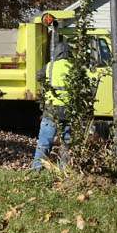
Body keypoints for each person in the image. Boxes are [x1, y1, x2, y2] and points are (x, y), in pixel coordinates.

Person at [31, 34, 72, 171]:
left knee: (44, 143)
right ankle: (64, 171)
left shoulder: (50, 67)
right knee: (66, 145)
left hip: (51, 111)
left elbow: (38, 76)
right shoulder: (75, 68)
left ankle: (36, 170)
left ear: (57, 53)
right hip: (68, 112)